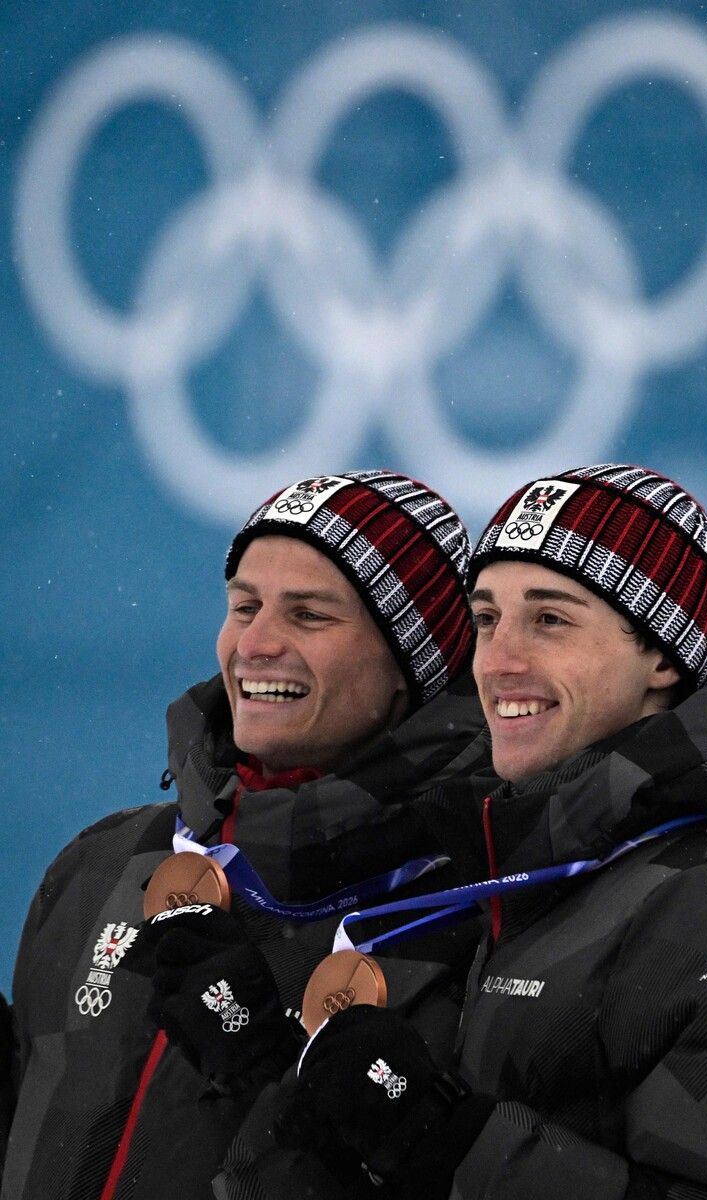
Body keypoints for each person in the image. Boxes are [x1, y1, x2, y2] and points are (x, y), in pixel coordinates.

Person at [266, 464, 707, 1200]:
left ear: (665, 658)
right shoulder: (528, 859)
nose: (499, 662)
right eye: (486, 619)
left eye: (549, 619)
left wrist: (447, 1141)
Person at [2, 470, 497, 1200]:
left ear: (409, 667)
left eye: (309, 615)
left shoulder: (467, 908)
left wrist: (270, 1067)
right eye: (244, 607)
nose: (255, 643)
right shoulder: (104, 863)